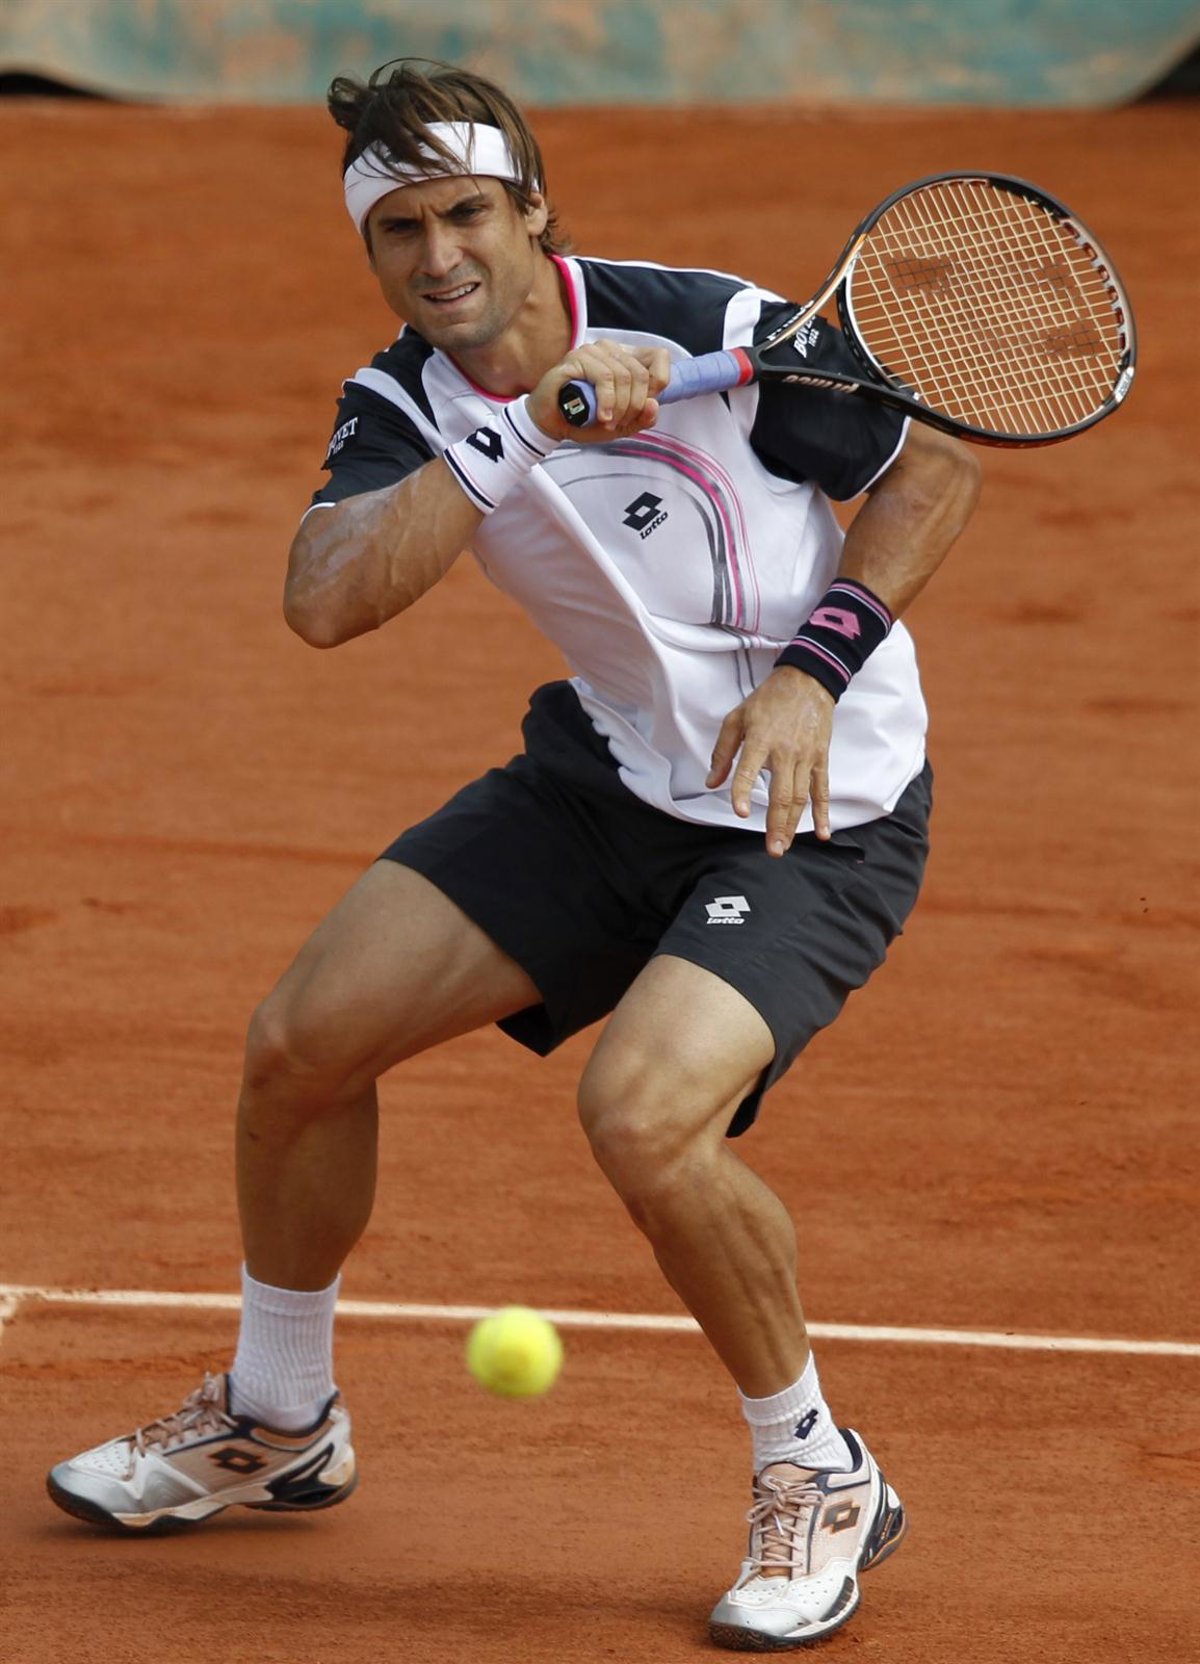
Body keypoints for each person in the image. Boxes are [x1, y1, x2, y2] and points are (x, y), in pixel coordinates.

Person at [47, 59, 980, 1650]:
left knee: (644, 1117)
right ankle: (280, 1418)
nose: (439, 255)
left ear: (536, 209)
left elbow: (933, 469)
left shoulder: (715, 326)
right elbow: (325, 598)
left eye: (467, 212)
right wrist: (518, 431)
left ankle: (818, 1470)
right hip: (606, 785)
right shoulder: (406, 401)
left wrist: (814, 673)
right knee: (300, 1047)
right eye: (399, 229)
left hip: (812, 806)